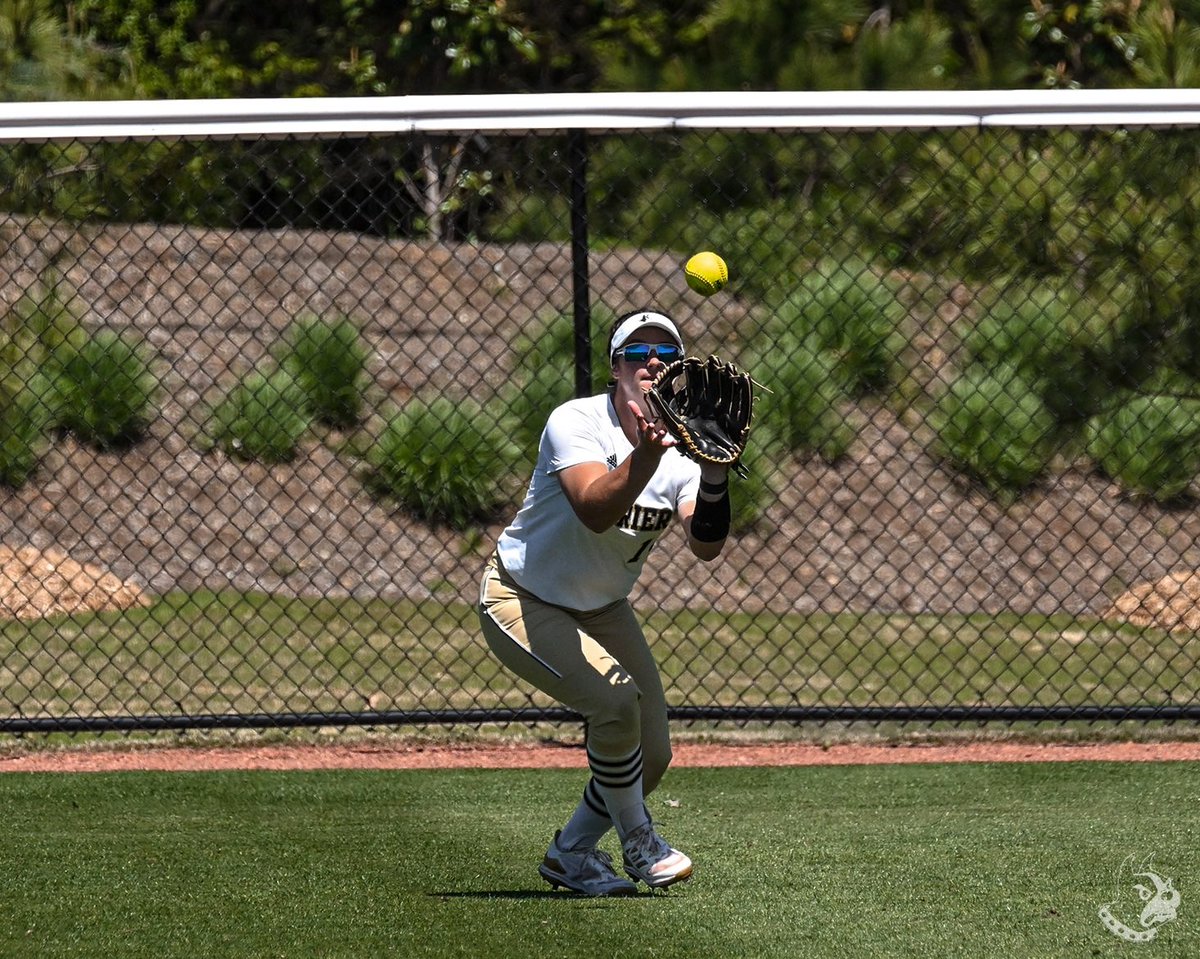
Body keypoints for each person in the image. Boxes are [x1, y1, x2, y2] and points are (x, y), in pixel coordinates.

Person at [477, 308, 734, 896]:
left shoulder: (688, 448)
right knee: (616, 706)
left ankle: (570, 853)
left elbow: (706, 545)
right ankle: (641, 844)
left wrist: (715, 476)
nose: (651, 365)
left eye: (666, 357)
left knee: (654, 750)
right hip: (522, 596)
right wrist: (646, 454)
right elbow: (595, 511)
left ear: (682, 371)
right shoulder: (576, 420)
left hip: (600, 606)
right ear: (615, 367)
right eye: (637, 355)